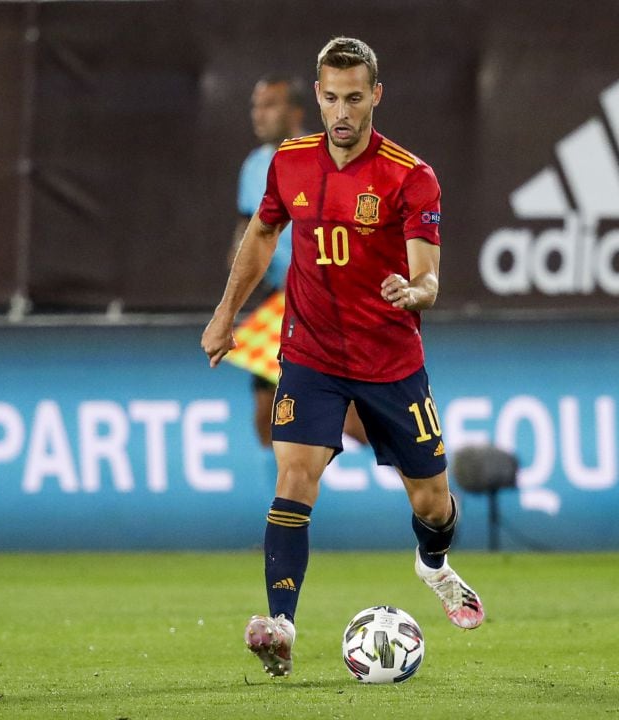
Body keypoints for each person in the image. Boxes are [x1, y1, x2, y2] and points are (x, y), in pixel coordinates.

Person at [201, 37, 484, 678]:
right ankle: (281, 626)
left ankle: (433, 565)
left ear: (375, 95)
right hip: (310, 352)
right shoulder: (290, 163)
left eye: (355, 98)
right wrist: (225, 316)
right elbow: (264, 233)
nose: (342, 113)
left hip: (390, 360)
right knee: (294, 476)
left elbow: (428, 275)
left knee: (432, 505)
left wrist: (418, 290)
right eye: (331, 98)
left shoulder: (411, 176)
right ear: (319, 96)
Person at [226, 75, 368, 448]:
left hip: (329, 303)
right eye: (255, 106)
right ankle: (298, 497)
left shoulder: (327, 157)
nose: (259, 115)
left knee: (357, 422)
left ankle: (426, 478)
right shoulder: (253, 166)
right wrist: (239, 256)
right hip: (280, 303)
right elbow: (246, 228)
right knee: (266, 420)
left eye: (269, 105)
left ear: (296, 112)